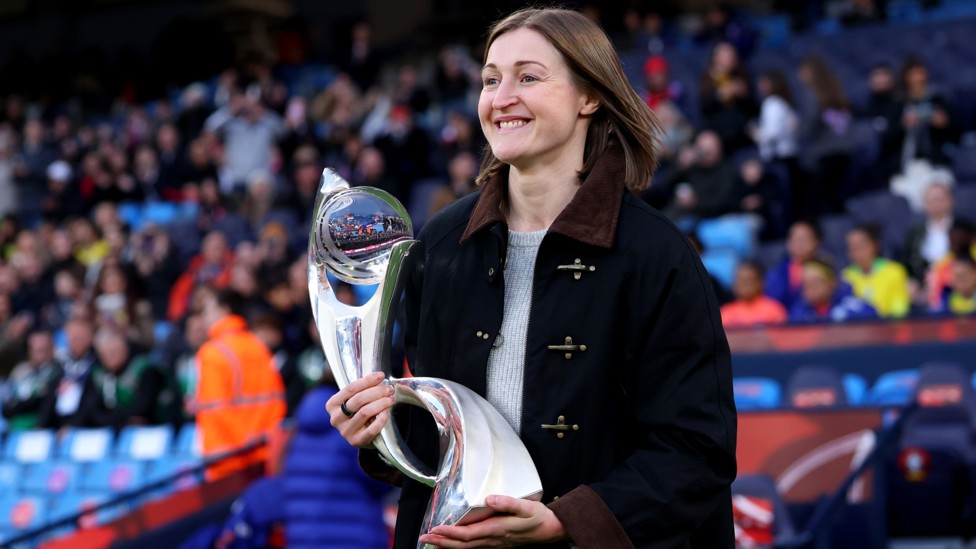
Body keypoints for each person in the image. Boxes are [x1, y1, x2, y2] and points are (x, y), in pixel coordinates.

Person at [327, 8, 736, 547]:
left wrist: (567, 521)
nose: (501, 97)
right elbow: (443, 427)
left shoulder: (657, 254)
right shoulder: (445, 241)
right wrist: (382, 429)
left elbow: (696, 450)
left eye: (528, 77)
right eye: (491, 79)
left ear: (589, 97)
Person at [192, 285, 286, 481]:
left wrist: (242, 445)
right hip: (263, 455)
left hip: (228, 461)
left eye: (207, 309)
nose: (204, 317)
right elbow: (277, 401)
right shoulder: (258, 347)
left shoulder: (211, 353)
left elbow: (217, 409)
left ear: (224, 310)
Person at [842, 223, 911, 319]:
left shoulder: (894, 271)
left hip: (886, 328)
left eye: (860, 246)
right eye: (851, 247)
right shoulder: (847, 275)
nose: (855, 251)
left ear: (874, 245)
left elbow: (899, 310)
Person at [2, 330, 62, 430]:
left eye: (42, 350)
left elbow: (41, 403)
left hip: (40, 428)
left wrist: (20, 404)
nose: (38, 354)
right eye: (35, 349)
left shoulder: (57, 373)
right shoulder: (21, 371)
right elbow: (8, 406)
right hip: (14, 427)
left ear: (51, 349)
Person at [789, 258, 878, 323]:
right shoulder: (798, 312)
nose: (809, 287)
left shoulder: (855, 309)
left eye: (815, 281)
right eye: (805, 283)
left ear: (832, 283)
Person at [720, 260, 788, 329]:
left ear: (761, 282)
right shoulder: (725, 313)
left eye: (749, 280)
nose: (744, 285)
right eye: (741, 280)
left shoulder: (775, 311)